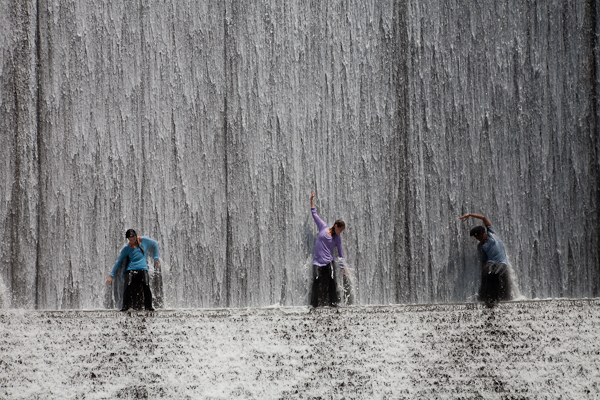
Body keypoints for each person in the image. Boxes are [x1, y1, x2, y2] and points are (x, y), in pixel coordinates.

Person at [459, 213, 511, 304]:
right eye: (476, 238)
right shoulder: (480, 246)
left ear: (484, 233)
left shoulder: (492, 234)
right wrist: (485, 268)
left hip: (501, 262)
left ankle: (495, 297)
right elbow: (483, 260)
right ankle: (485, 296)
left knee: (495, 274)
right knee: (488, 273)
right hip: (491, 262)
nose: (478, 239)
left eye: (479, 236)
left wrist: (470, 215)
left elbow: (483, 218)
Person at [106, 229, 160, 311]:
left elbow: (155, 244)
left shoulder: (144, 240)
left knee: (146, 285)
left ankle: (148, 306)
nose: (132, 241)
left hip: (143, 269)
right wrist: (110, 275)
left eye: (133, 239)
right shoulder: (126, 248)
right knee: (128, 285)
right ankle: (125, 306)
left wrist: (156, 258)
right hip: (131, 270)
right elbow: (118, 261)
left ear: (136, 236)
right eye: (130, 240)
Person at [310, 190, 347, 307]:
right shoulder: (323, 227)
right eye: (340, 230)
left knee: (332, 282)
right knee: (315, 282)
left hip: (328, 262)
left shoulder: (337, 239)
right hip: (317, 262)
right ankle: (313, 305)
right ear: (335, 226)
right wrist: (311, 200)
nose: (340, 232)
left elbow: (341, 254)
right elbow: (314, 214)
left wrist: (344, 268)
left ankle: (334, 305)